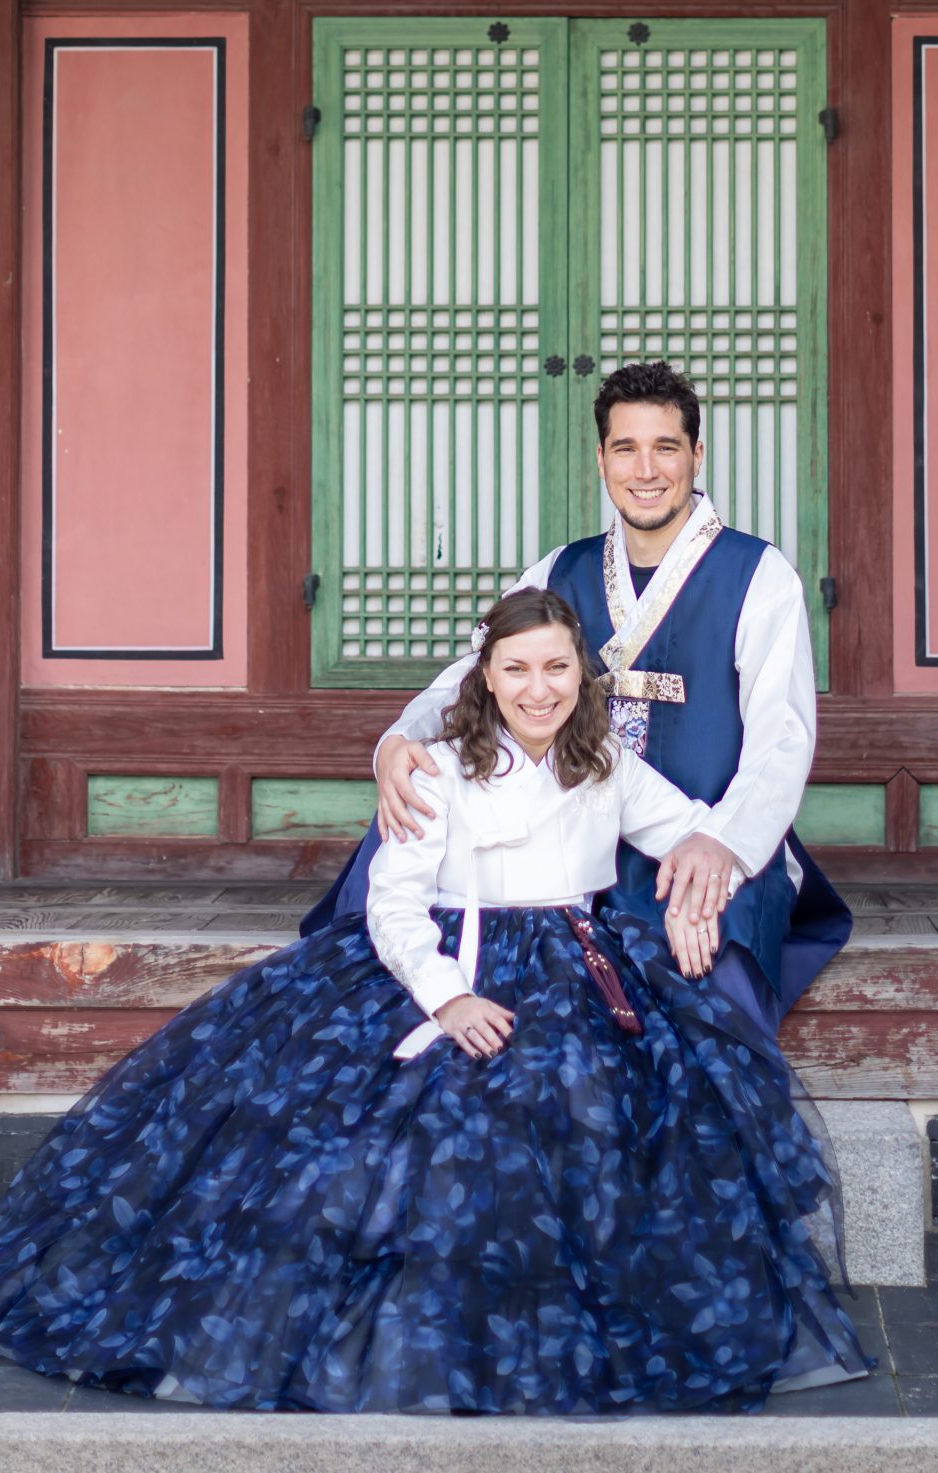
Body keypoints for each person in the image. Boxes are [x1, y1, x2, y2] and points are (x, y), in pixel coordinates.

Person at [0, 588, 871, 1413]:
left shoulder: (605, 765)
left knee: (599, 1119)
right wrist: (450, 999)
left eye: (555, 669)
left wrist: (707, 880)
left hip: (583, 962)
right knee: (409, 1137)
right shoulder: (444, 766)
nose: (538, 689)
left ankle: (561, 1331)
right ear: (486, 677)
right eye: (516, 670)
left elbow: (697, 835)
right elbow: (392, 901)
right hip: (450, 961)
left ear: (582, 676)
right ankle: (414, 1335)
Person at [305, 359, 851, 1051]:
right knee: (402, 837)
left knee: (703, 970)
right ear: (601, 459)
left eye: (665, 447)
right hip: (569, 815)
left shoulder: (755, 573)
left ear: (696, 454)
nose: (644, 469)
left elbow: (783, 736)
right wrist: (395, 742)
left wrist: (720, 845)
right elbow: (474, 671)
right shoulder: (560, 568)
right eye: (625, 448)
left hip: (702, 826)